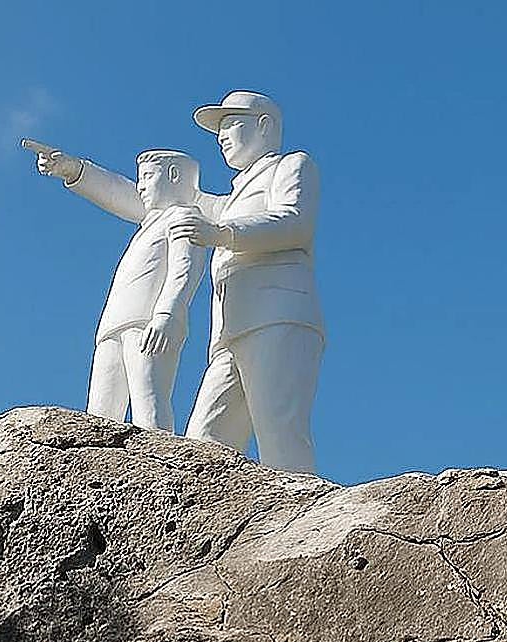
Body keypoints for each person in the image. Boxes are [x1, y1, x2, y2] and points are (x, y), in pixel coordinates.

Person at [169, 91, 325, 473]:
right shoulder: (231, 198)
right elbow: (161, 202)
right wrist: (78, 173)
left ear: (265, 126)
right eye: (218, 129)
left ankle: (302, 526)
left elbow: (294, 220)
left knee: (279, 432)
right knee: (203, 444)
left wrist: (222, 232)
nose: (222, 136)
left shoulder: (290, 166)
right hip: (230, 332)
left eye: (231, 123)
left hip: (278, 315)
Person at [34, 149, 206, 431]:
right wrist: (74, 169)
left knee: (148, 404)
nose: (141, 186)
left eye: (148, 177)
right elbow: (116, 191)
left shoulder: (184, 217)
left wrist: (167, 314)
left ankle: (161, 468)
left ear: (173, 175)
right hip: (113, 326)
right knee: (99, 415)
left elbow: (184, 270)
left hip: (147, 324)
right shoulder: (149, 224)